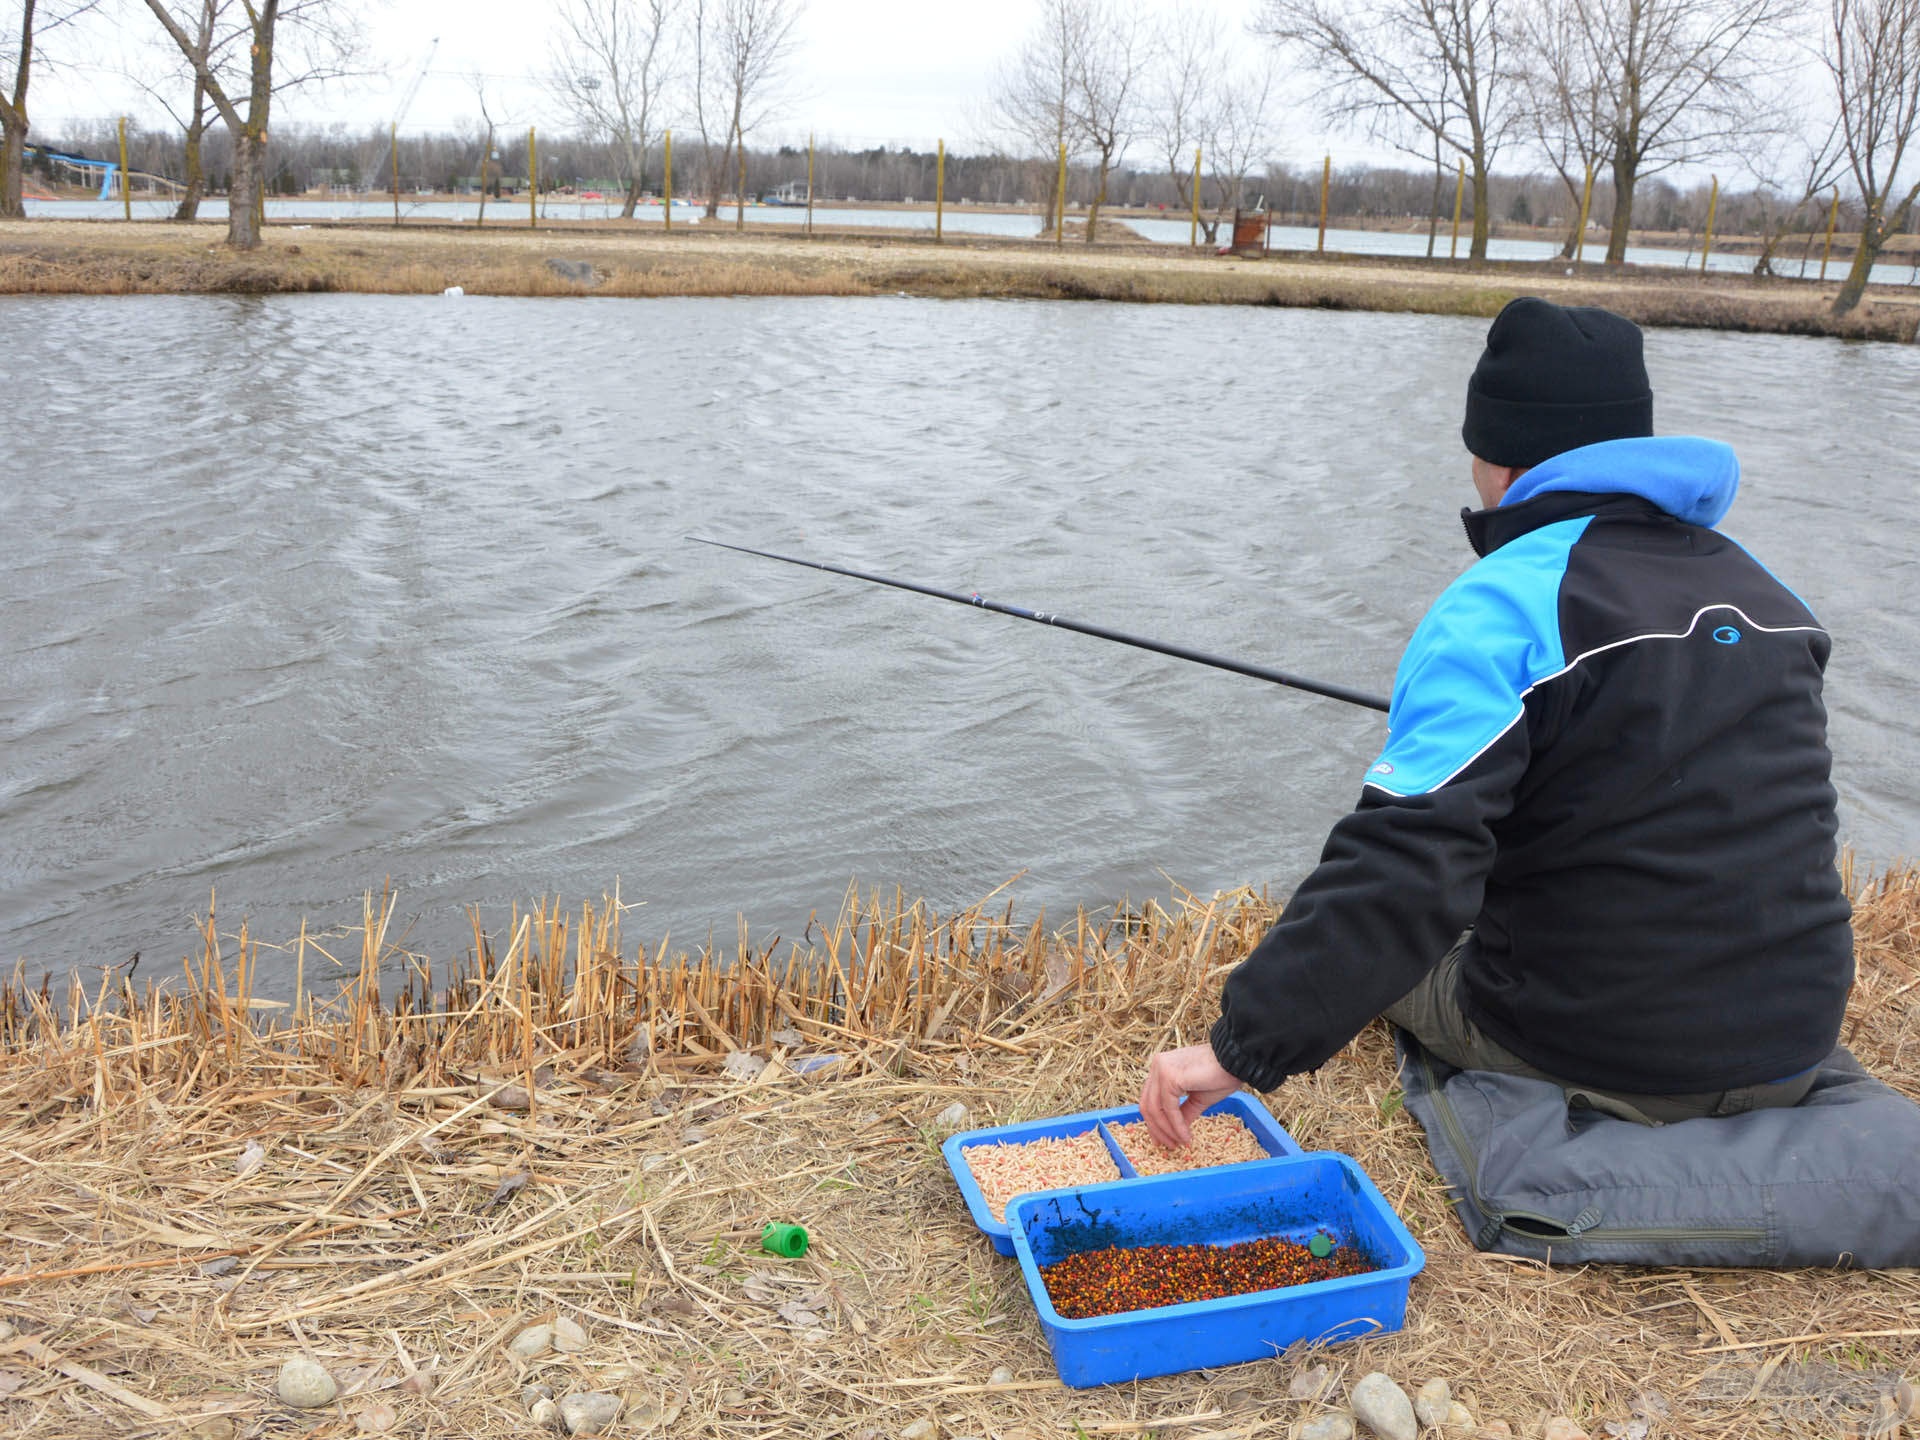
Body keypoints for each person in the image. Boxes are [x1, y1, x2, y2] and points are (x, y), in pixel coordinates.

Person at [1140, 296, 1855, 1145]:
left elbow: (1408, 864)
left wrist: (1239, 1049)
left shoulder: (1499, 606)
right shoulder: (1773, 595)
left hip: (1618, 1054)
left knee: (1413, 953)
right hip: (1796, 1035)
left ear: (1499, 461)